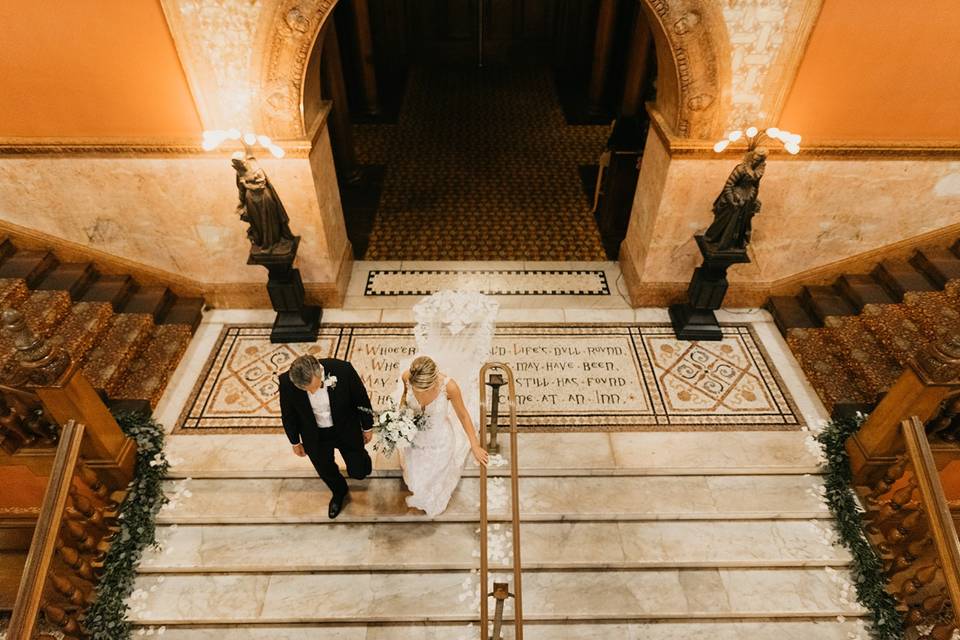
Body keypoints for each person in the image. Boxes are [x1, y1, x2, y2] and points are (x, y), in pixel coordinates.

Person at [278, 355, 373, 519]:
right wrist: (295, 441)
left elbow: (361, 399)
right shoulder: (286, 382)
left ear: (319, 371)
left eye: (314, 386)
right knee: (325, 469)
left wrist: (367, 426)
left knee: (359, 471)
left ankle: (363, 462)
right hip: (314, 435)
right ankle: (339, 492)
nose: (313, 392)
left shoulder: (343, 370)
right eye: (307, 390)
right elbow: (288, 414)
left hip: (346, 428)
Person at [398, 356, 489, 517]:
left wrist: (475, 445)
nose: (422, 392)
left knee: (435, 476)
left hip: (439, 439)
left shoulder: (449, 387)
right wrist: (401, 420)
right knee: (415, 475)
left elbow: (463, 415)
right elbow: (404, 398)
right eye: (418, 388)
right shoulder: (406, 377)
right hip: (415, 437)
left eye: (425, 389)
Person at [703, 146, 767, 251]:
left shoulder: (759, 171)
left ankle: (733, 244)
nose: (755, 161)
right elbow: (729, 185)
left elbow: (755, 186)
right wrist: (732, 200)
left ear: (762, 160)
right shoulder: (741, 168)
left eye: (758, 160)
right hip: (734, 200)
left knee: (740, 224)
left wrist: (753, 198)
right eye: (754, 158)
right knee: (724, 222)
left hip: (747, 201)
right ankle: (717, 240)